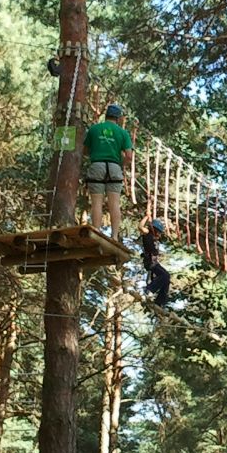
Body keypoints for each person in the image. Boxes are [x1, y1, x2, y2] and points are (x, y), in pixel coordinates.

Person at [83, 102, 134, 238]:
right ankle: (115, 236)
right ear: (118, 118)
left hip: (97, 165)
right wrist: (120, 164)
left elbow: (85, 150)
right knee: (114, 204)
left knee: (96, 202)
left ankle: (97, 232)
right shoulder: (123, 133)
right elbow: (129, 156)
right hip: (114, 167)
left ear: (106, 115)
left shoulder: (94, 129)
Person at [142, 218, 171, 306]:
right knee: (165, 275)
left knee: (166, 279)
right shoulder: (147, 234)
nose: (159, 234)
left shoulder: (155, 239)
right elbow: (140, 227)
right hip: (150, 262)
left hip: (154, 262)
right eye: (158, 231)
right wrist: (146, 217)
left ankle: (160, 301)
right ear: (153, 229)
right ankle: (149, 289)